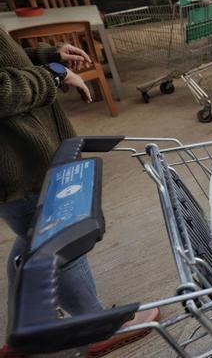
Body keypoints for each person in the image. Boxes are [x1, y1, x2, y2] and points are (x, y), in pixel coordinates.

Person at [0, 31, 160, 355]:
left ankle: (25, 333)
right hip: (19, 163)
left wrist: (46, 56)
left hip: (28, 156)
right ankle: (95, 326)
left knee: (31, 245)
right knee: (61, 242)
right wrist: (53, 76)